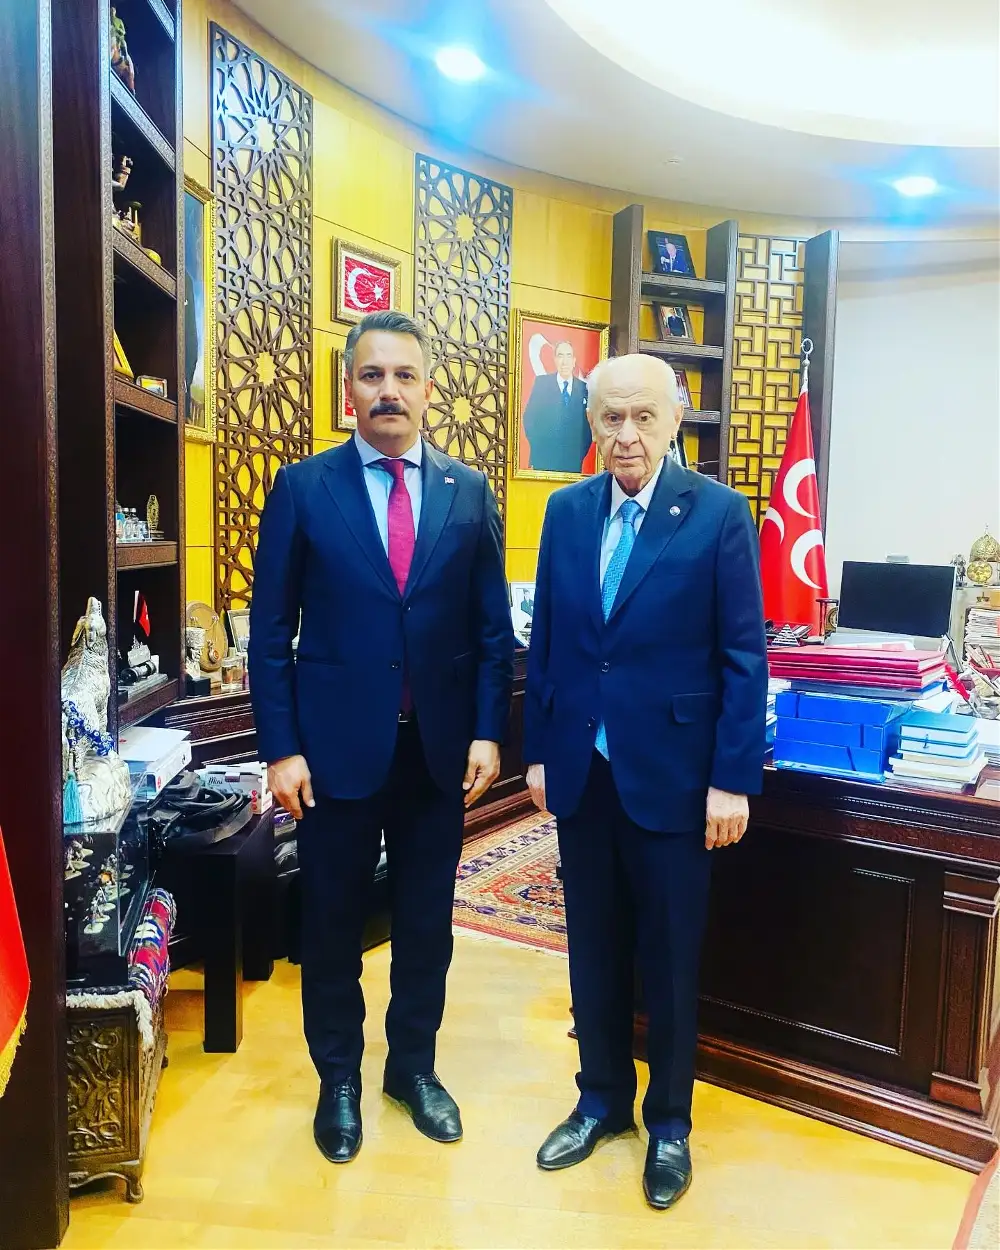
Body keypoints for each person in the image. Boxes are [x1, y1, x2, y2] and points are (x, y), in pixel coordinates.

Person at [249, 310, 514, 1165]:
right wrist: (281, 748)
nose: (389, 391)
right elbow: (269, 632)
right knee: (331, 924)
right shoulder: (303, 488)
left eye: (404, 376)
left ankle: (412, 1069)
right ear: (349, 390)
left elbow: (491, 631)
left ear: (428, 390)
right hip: (331, 757)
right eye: (372, 375)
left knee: (426, 924)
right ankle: (339, 1080)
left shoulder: (469, 492)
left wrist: (488, 731)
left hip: (437, 754)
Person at [523, 353, 767, 1211]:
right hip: (583, 771)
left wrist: (732, 778)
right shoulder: (565, 512)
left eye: (642, 418)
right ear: (592, 423)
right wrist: (540, 750)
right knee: (591, 947)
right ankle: (600, 1101)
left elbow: (744, 657)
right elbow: (549, 641)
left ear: (673, 420)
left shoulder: (719, 514)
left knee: (666, 958)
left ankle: (668, 1124)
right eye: (611, 418)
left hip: (676, 776)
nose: (625, 435)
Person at [522, 340, 593, 474]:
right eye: (560, 356)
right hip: (543, 460)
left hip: (572, 463)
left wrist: (577, 454)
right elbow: (529, 419)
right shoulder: (542, 384)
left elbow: (588, 428)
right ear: (555, 360)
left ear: (574, 361)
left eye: (568, 356)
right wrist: (539, 449)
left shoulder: (584, 389)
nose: (564, 362)